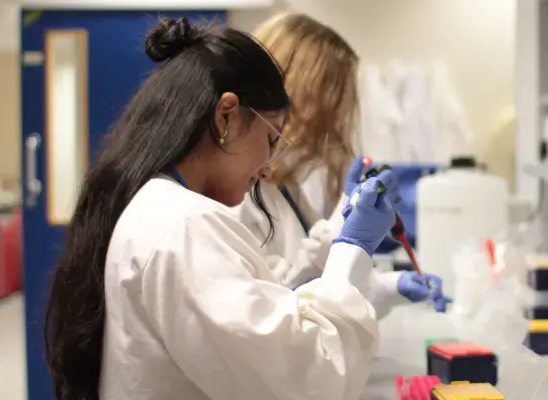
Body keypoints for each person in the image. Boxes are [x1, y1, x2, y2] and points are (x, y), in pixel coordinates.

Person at [43, 18, 403, 400]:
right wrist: (352, 247)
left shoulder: (160, 207)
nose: (268, 165)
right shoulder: (184, 227)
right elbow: (308, 375)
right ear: (226, 116)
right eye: (271, 137)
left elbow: (263, 321)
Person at [233, 13, 449, 316]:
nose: (333, 123)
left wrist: (392, 286)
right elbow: (271, 308)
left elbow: (333, 288)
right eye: (327, 106)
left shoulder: (284, 186)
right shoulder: (235, 194)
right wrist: (342, 232)